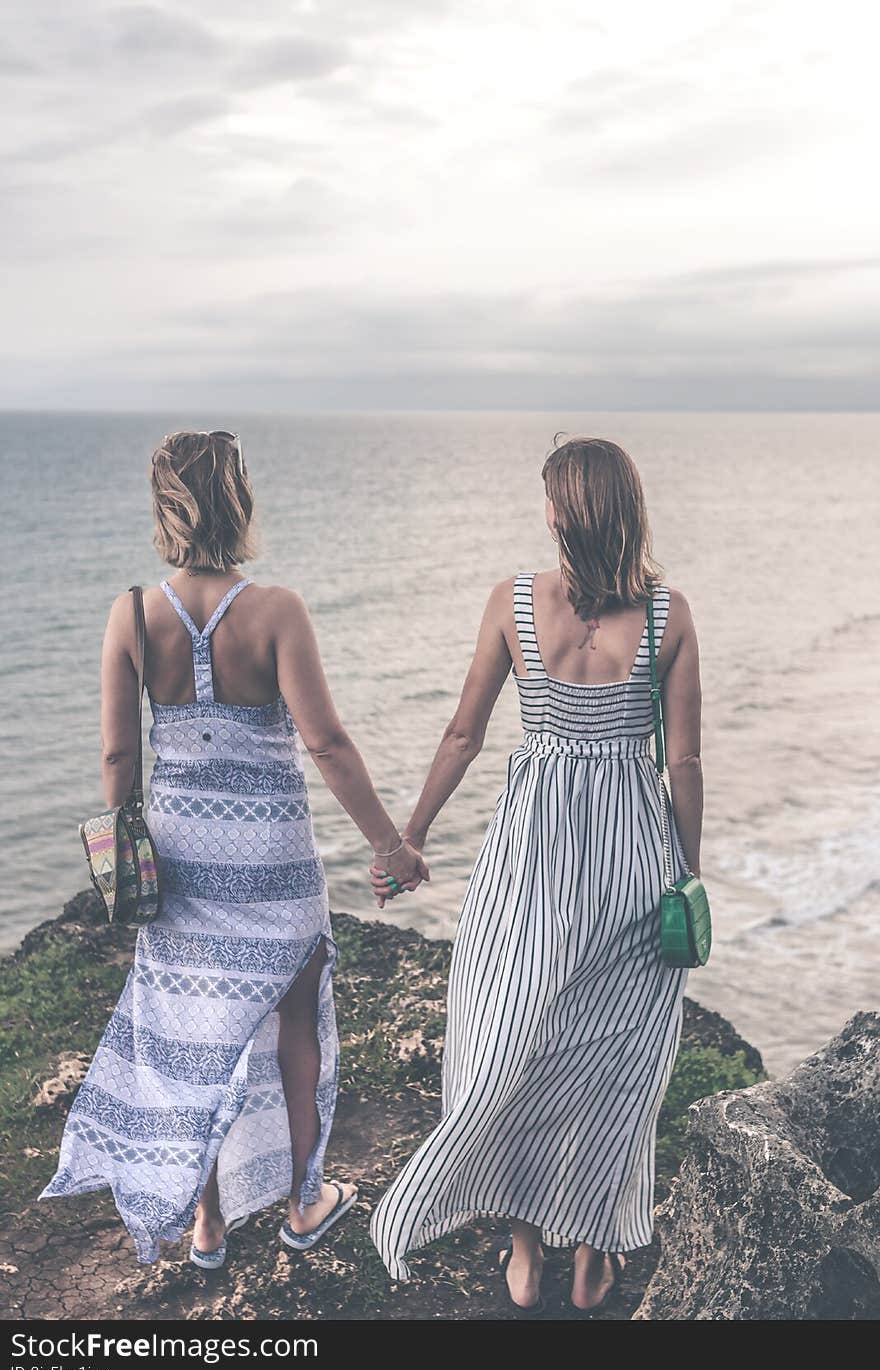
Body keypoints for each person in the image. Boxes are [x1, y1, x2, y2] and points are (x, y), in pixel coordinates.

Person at [40, 429, 426, 1267]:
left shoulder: (133, 615)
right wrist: (390, 845)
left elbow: (118, 759)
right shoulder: (276, 610)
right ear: (237, 498)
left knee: (195, 1040)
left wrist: (126, 846)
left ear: (163, 504)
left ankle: (207, 1227)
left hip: (178, 856)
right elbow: (326, 743)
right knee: (296, 1023)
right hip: (274, 861)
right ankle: (302, 1201)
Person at [370, 436, 702, 1315]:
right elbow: (686, 764)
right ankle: (591, 1259)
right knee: (617, 1059)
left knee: (505, 1033)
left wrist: (409, 839)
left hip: (534, 857)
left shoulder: (515, 603)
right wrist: (689, 878)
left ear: (562, 513)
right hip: (636, 855)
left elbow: (463, 734)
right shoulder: (668, 616)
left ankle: (524, 1254)